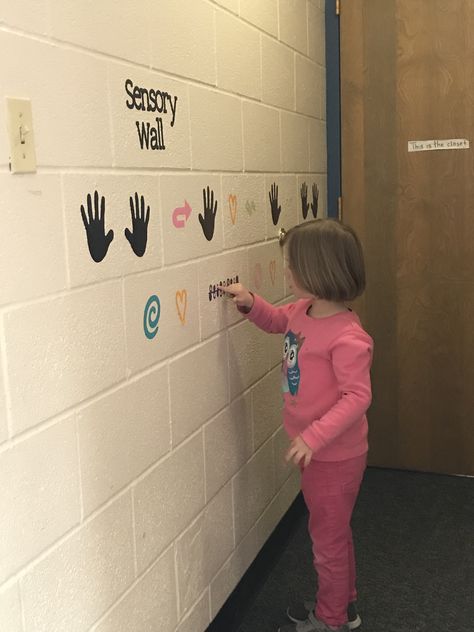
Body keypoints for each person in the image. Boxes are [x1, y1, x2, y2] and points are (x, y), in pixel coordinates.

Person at [223, 219, 373, 632]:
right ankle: (343, 603)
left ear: (320, 271)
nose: (286, 273)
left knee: (327, 541)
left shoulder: (347, 336)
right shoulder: (303, 312)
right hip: (314, 452)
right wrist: (251, 302)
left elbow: (358, 398)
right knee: (334, 534)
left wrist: (313, 436)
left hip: (334, 457)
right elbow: (276, 321)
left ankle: (330, 620)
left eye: (292, 266)